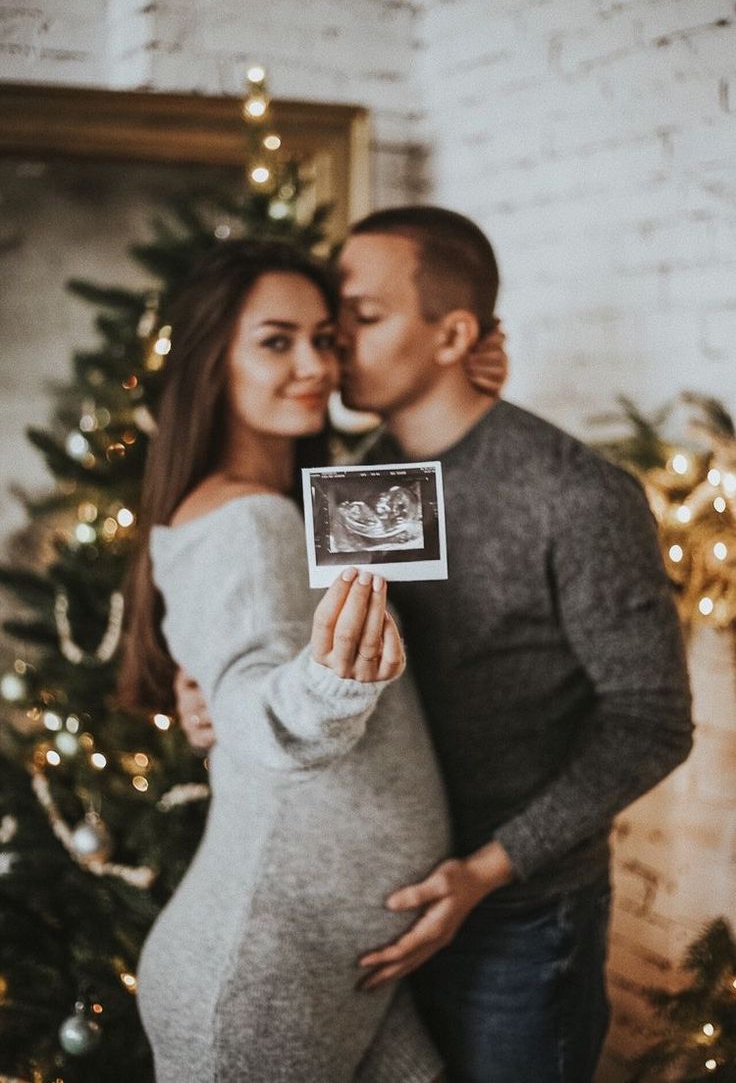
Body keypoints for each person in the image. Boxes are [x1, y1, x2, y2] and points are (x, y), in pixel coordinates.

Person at [180, 207, 693, 1083]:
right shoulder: (349, 481)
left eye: (361, 319)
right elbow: (302, 652)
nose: (335, 343)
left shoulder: (576, 496)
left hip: (519, 922)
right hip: (381, 914)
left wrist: (485, 873)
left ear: (455, 334)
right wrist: (220, 700)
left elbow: (653, 720)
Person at [118, 239, 455, 1083]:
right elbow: (250, 703)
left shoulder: (295, 502)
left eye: (326, 338)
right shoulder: (246, 523)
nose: (314, 364)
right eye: (276, 341)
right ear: (212, 363)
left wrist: (460, 373)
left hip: (342, 964)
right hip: (261, 978)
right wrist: (328, 687)